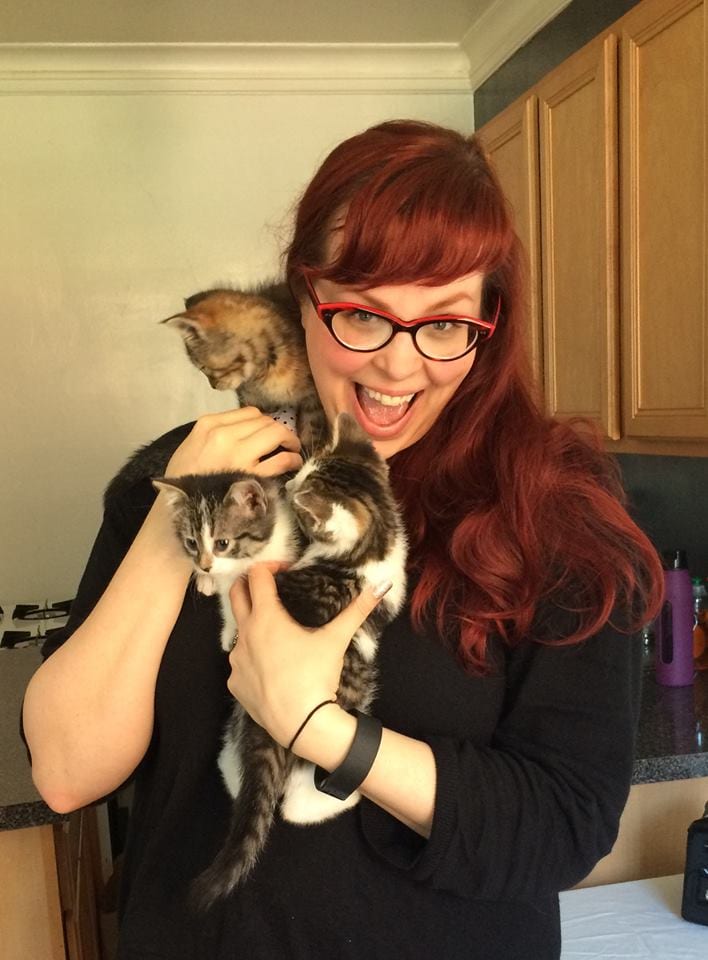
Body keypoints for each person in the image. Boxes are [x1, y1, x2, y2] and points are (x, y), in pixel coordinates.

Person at [22, 120, 663, 960]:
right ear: (301, 296)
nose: (398, 367)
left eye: (444, 324)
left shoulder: (555, 512)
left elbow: (564, 823)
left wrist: (321, 728)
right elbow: (65, 771)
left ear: (489, 323)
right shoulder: (185, 479)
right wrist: (167, 529)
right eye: (361, 314)